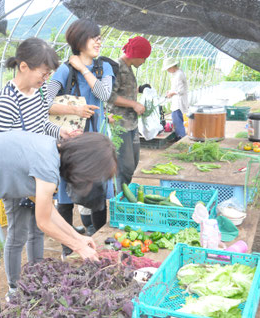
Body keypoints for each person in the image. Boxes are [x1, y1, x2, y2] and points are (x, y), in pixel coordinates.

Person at [0, 131, 117, 318]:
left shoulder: (49, 150)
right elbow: (43, 222)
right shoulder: (47, 166)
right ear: (85, 164)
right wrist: (78, 247)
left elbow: (48, 210)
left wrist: (79, 238)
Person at [0, 37, 77, 302]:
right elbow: (1, 146)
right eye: (44, 73)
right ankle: (15, 287)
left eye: (49, 73)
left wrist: (59, 130)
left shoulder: (38, 93)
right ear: (24, 66)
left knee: (39, 228)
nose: (46, 78)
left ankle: (38, 276)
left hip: (38, 172)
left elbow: (41, 126)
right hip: (16, 177)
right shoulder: (7, 100)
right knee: (17, 233)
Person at [47, 19, 115, 257]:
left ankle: (99, 243)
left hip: (96, 146)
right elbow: (42, 103)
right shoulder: (64, 71)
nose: (98, 41)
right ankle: (68, 250)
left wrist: (84, 69)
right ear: (79, 41)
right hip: (70, 144)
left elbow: (103, 93)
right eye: (93, 37)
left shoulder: (103, 68)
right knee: (65, 197)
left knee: (99, 194)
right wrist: (74, 110)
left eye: (99, 37)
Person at [107, 36, 152, 193]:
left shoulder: (128, 67)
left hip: (132, 124)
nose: (144, 61)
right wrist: (134, 104)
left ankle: (123, 193)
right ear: (136, 54)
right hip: (120, 126)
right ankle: (121, 199)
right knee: (124, 167)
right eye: (144, 58)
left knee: (133, 162)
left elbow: (123, 89)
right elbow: (109, 96)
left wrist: (139, 89)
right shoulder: (116, 67)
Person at [163, 57, 188, 140]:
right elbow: (176, 87)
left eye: (168, 69)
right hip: (176, 100)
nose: (168, 71)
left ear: (172, 67)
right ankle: (179, 136)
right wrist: (170, 91)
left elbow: (181, 90)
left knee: (177, 118)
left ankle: (181, 137)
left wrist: (172, 93)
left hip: (179, 101)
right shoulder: (176, 74)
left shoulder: (179, 74)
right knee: (176, 118)